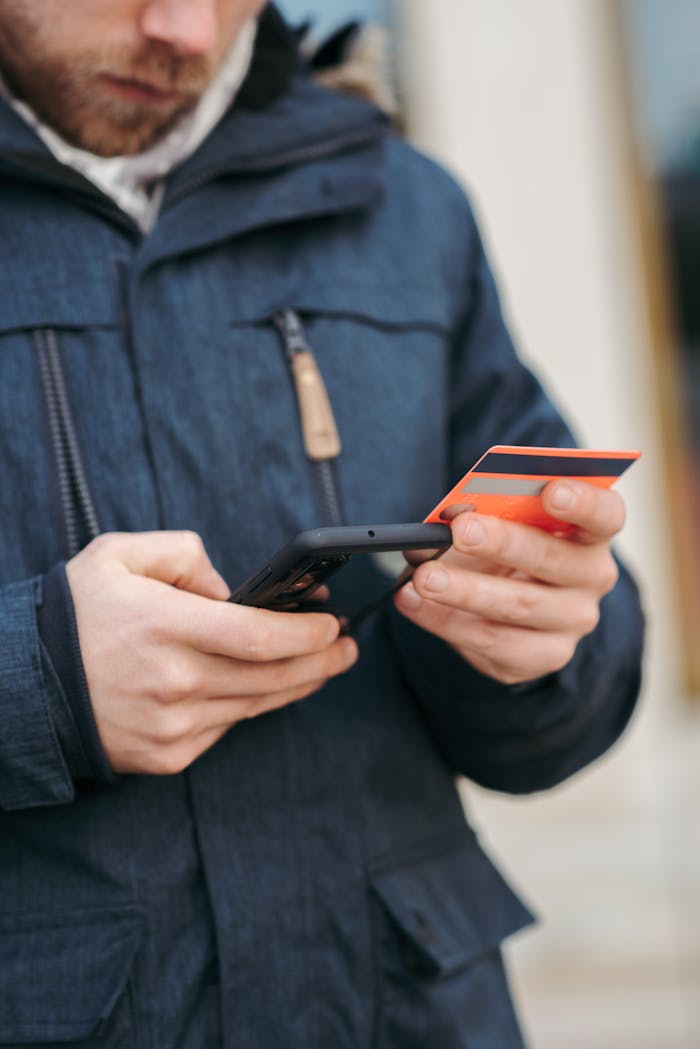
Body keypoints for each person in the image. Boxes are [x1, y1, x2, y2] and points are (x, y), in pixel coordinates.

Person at [0, 3, 644, 1047]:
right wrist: (38, 688)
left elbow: (573, 701)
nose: (186, 32)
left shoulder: (406, 204)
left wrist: (538, 647)